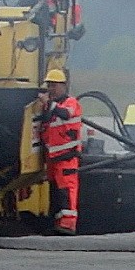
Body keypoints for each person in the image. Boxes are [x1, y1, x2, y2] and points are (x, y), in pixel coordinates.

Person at [33, 68, 83, 235]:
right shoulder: (51, 107)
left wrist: (49, 104)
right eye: (49, 86)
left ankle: (67, 225)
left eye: (54, 86)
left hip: (67, 159)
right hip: (54, 159)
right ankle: (56, 223)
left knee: (66, 192)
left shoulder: (71, 103)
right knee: (55, 192)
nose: (51, 89)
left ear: (63, 86)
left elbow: (65, 114)